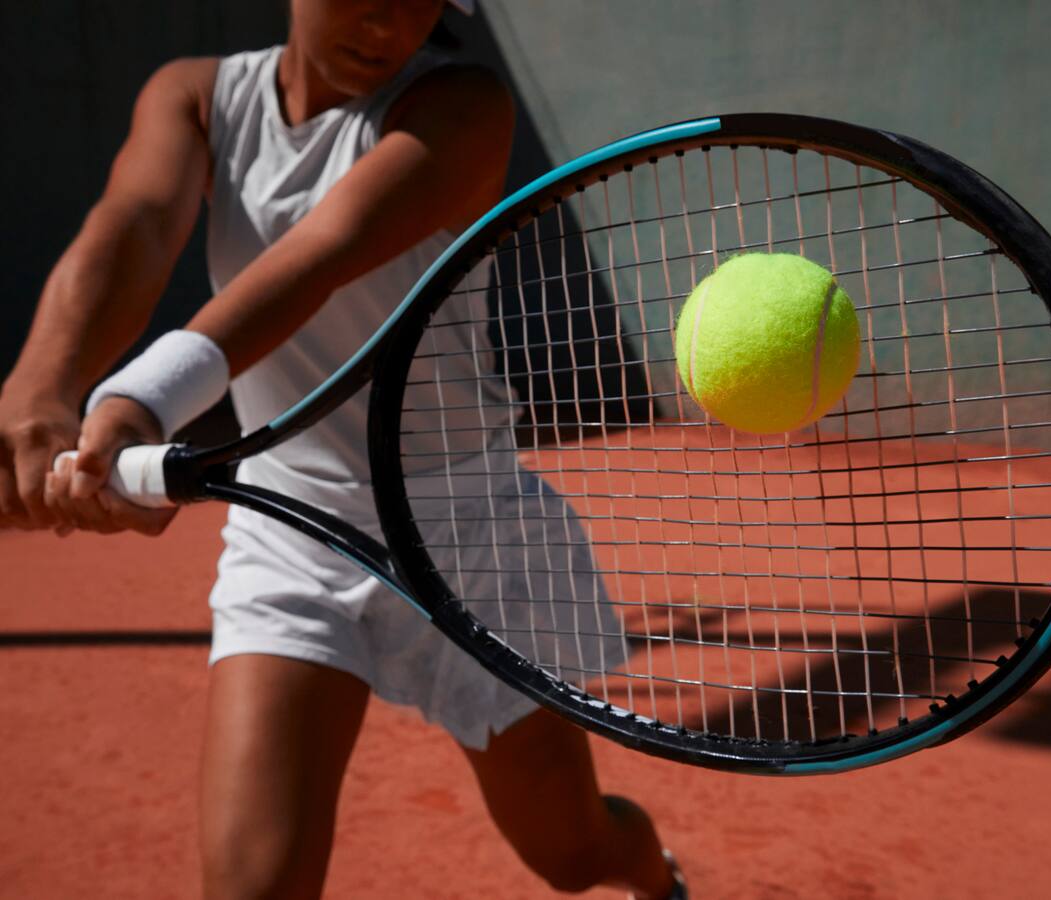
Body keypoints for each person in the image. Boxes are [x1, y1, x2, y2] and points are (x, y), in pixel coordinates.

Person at [0, 1, 686, 897]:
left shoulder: (465, 106)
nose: (388, 22)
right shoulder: (196, 100)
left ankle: (652, 878)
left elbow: (324, 252)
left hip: (470, 537)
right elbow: (131, 227)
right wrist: (39, 389)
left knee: (572, 853)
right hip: (292, 533)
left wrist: (141, 397)